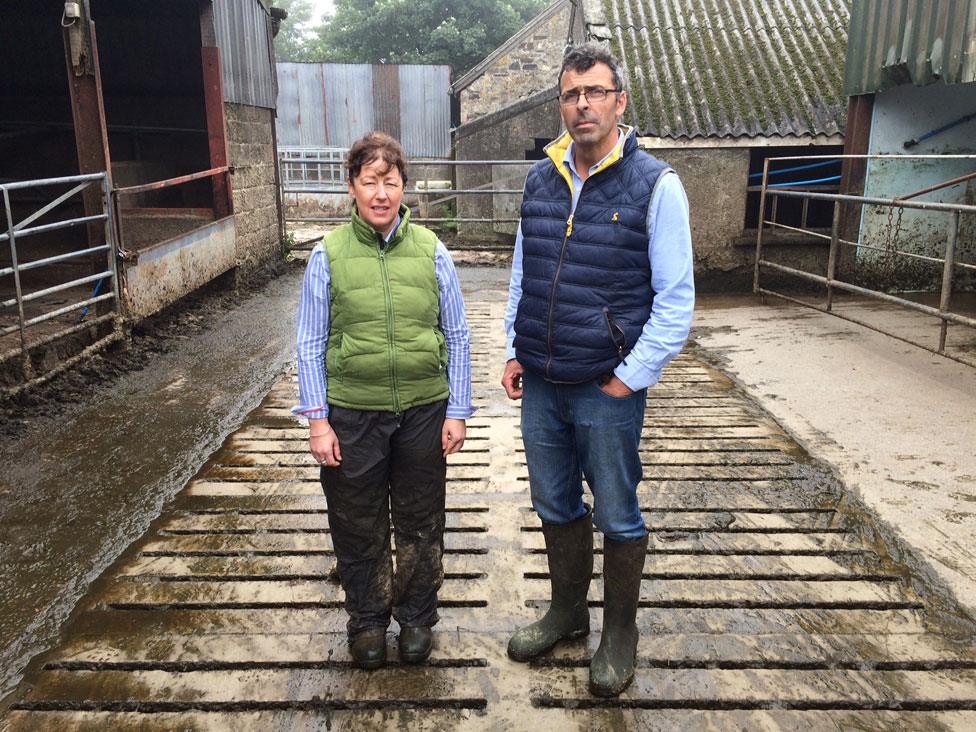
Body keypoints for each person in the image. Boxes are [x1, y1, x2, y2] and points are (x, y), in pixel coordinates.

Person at [501, 43, 694, 696]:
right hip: (542, 380)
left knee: (616, 510)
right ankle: (565, 612)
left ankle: (619, 632)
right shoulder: (540, 179)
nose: (581, 104)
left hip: (606, 386)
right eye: (570, 94)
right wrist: (512, 346)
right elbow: (523, 272)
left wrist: (629, 376)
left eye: (594, 91)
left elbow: (676, 301)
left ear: (620, 100)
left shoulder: (656, 185)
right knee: (554, 501)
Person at [293, 132, 473, 669]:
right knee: (357, 520)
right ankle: (367, 621)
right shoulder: (327, 255)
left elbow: (458, 334)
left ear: (404, 188)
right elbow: (308, 342)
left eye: (390, 182)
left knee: (421, 519)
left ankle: (417, 619)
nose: (380, 193)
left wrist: (458, 410)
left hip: (423, 409)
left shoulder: (432, 250)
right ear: (351, 187)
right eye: (369, 181)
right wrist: (317, 421)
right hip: (353, 412)